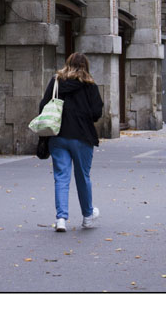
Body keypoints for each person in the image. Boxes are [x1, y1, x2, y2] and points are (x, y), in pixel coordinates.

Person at [37, 51, 104, 232]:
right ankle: (87, 217)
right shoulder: (90, 86)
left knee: (61, 177)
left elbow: (43, 105)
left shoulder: (57, 82)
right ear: (86, 66)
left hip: (58, 136)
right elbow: (97, 112)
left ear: (68, 63)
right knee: (83, 176)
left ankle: (61, 219)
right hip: (82, 137)